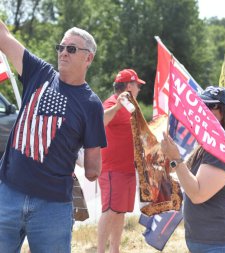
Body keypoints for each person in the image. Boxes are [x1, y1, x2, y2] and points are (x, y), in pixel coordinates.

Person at [0, 20, 107, 252]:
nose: (63, 53)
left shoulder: (92, 105)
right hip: (7, 193)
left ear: (88, 58)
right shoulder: (38, 71)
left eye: (71, 49)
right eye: (61, 47)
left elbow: (92, 170)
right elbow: (3, 36)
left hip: (53, 207)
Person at [161, 86, 225, 253]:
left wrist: (176, 159)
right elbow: (189, 180)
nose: (200, 112)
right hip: (212, 242)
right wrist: (170, 160)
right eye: (200, 107)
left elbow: (198, 193)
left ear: (224, 112)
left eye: (207, 107)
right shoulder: (210, 145)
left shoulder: (224, 148)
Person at [97, 69, 145, 253]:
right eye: (137, 85)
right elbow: (99, 122)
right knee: (109, 211)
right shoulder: (110, 103)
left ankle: (114, 250)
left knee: (119, 211)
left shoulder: (131, 106)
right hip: (112, 169)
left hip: (127, 169)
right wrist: (117, 107)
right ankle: (100, 250)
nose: (139, 89)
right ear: (128, 86)